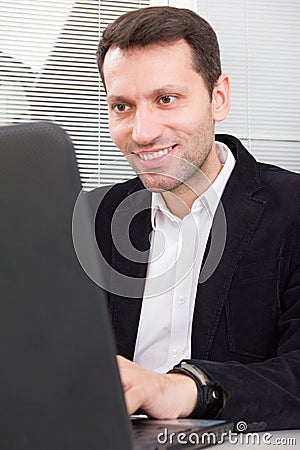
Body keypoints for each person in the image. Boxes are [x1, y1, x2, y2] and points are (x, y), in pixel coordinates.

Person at [94, 6, 300, 430]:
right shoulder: (93, 218)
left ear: (218, 97)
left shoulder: (292, 208)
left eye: (166, 99)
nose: (142, 132)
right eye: (122, 106)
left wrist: (184, 390)